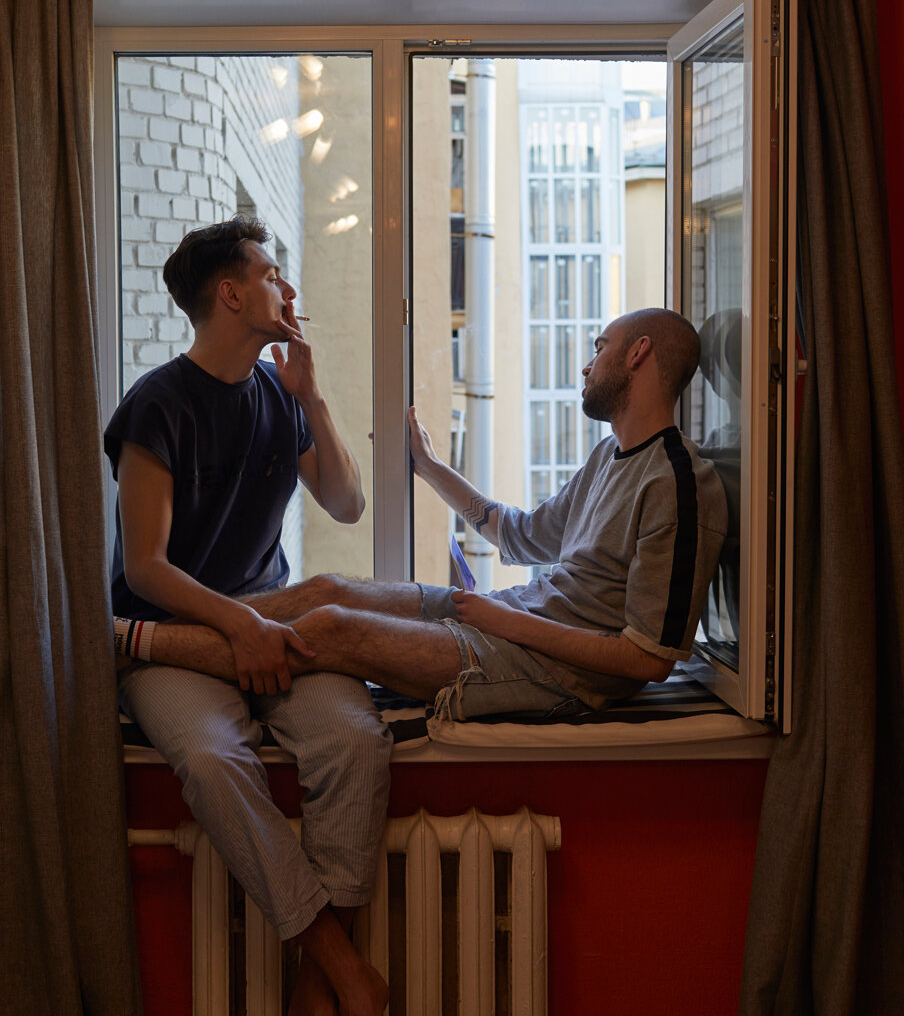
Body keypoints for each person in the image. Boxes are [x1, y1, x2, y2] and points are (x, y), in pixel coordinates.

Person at [115, 307, 729, 728]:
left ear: (639, 354)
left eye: (600, 349)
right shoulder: (610, 457)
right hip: (514, 622)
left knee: (331, 627)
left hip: (552, 672)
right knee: (328, 588)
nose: (588, 365)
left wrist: (505, 623)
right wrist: (430, 466)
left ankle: (128, 642)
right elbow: (520, 537)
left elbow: (648, 659)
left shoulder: (678, 483)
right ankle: (153, 636)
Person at [106, 216, 397, 1016]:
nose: (288, 290)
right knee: (210, 759)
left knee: (354, 740)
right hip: (174, 640)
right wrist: (234, 626)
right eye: (273, 274)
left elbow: (345, 502)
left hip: (265, 625)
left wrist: (311, 396)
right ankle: (341, 966)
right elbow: (145, 567)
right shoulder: (156, 405)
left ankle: (315, 987)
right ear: (230, 293)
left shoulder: (275, 396)